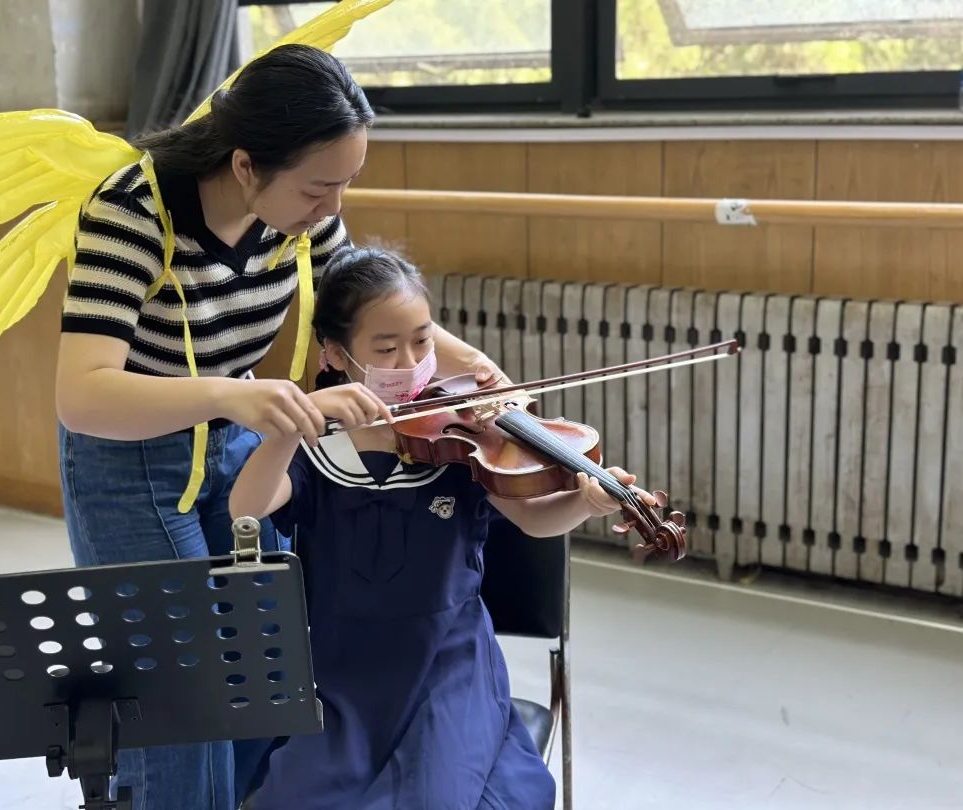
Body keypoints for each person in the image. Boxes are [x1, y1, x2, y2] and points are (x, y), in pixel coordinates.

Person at [55, 46, 504, 810]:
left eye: (347, 183)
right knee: (182, 697)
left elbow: (369, 304)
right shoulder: (132, 212)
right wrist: (231, 397)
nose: (333, 206)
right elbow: (82, 394)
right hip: (130, 460)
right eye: (320, 187)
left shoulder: (297, 215)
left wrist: (480, 373)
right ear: (245, 166)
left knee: (265, 668)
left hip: (237, 436)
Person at [230, 246, 654, 810]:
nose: (409, 363)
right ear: (334, 353)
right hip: (342, 677)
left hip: (448, 669)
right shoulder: (314, 449)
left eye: (423, 342)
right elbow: (247, 506)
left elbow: (534, 518)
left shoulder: (459, 436)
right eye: (386, 349)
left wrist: (584, 501)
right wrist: (296, 422)